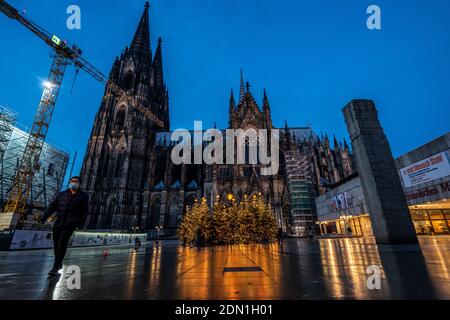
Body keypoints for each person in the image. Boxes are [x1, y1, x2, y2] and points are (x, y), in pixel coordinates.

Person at [40, 176, 88, 276]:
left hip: (70, 223)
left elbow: (84, 211)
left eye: (76, 181)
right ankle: (58, 263)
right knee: (56, 244)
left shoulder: (83, 196)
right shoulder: (61, 194)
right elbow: (52, 206)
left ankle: (55, 266)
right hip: (59, 222)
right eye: (72, 181)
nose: (74, 183)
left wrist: (81, 223)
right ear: (70, 182)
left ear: (80, 184)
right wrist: (44, 217)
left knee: (62, 243)